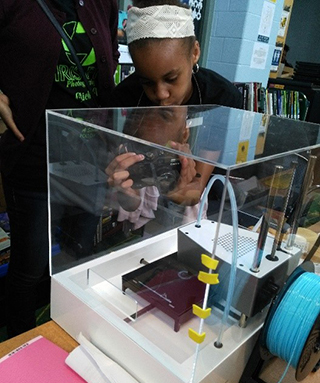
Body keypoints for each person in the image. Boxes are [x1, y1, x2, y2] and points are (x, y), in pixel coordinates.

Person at [0, 0, 119, 338]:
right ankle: (21, 345)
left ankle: (65, 335)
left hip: (89, 158)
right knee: (31, 266)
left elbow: (109, 68)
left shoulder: (102, 4)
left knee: (77, 258)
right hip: (33, 156)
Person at [107, 0, 242, 228]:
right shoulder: (124, 98)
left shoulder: (221, 98)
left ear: (195, 53)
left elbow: (194, 191)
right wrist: (126, 194)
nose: (160, 94)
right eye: (146, 82)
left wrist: (182, 187)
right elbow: (130, 201)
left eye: (171, 79)